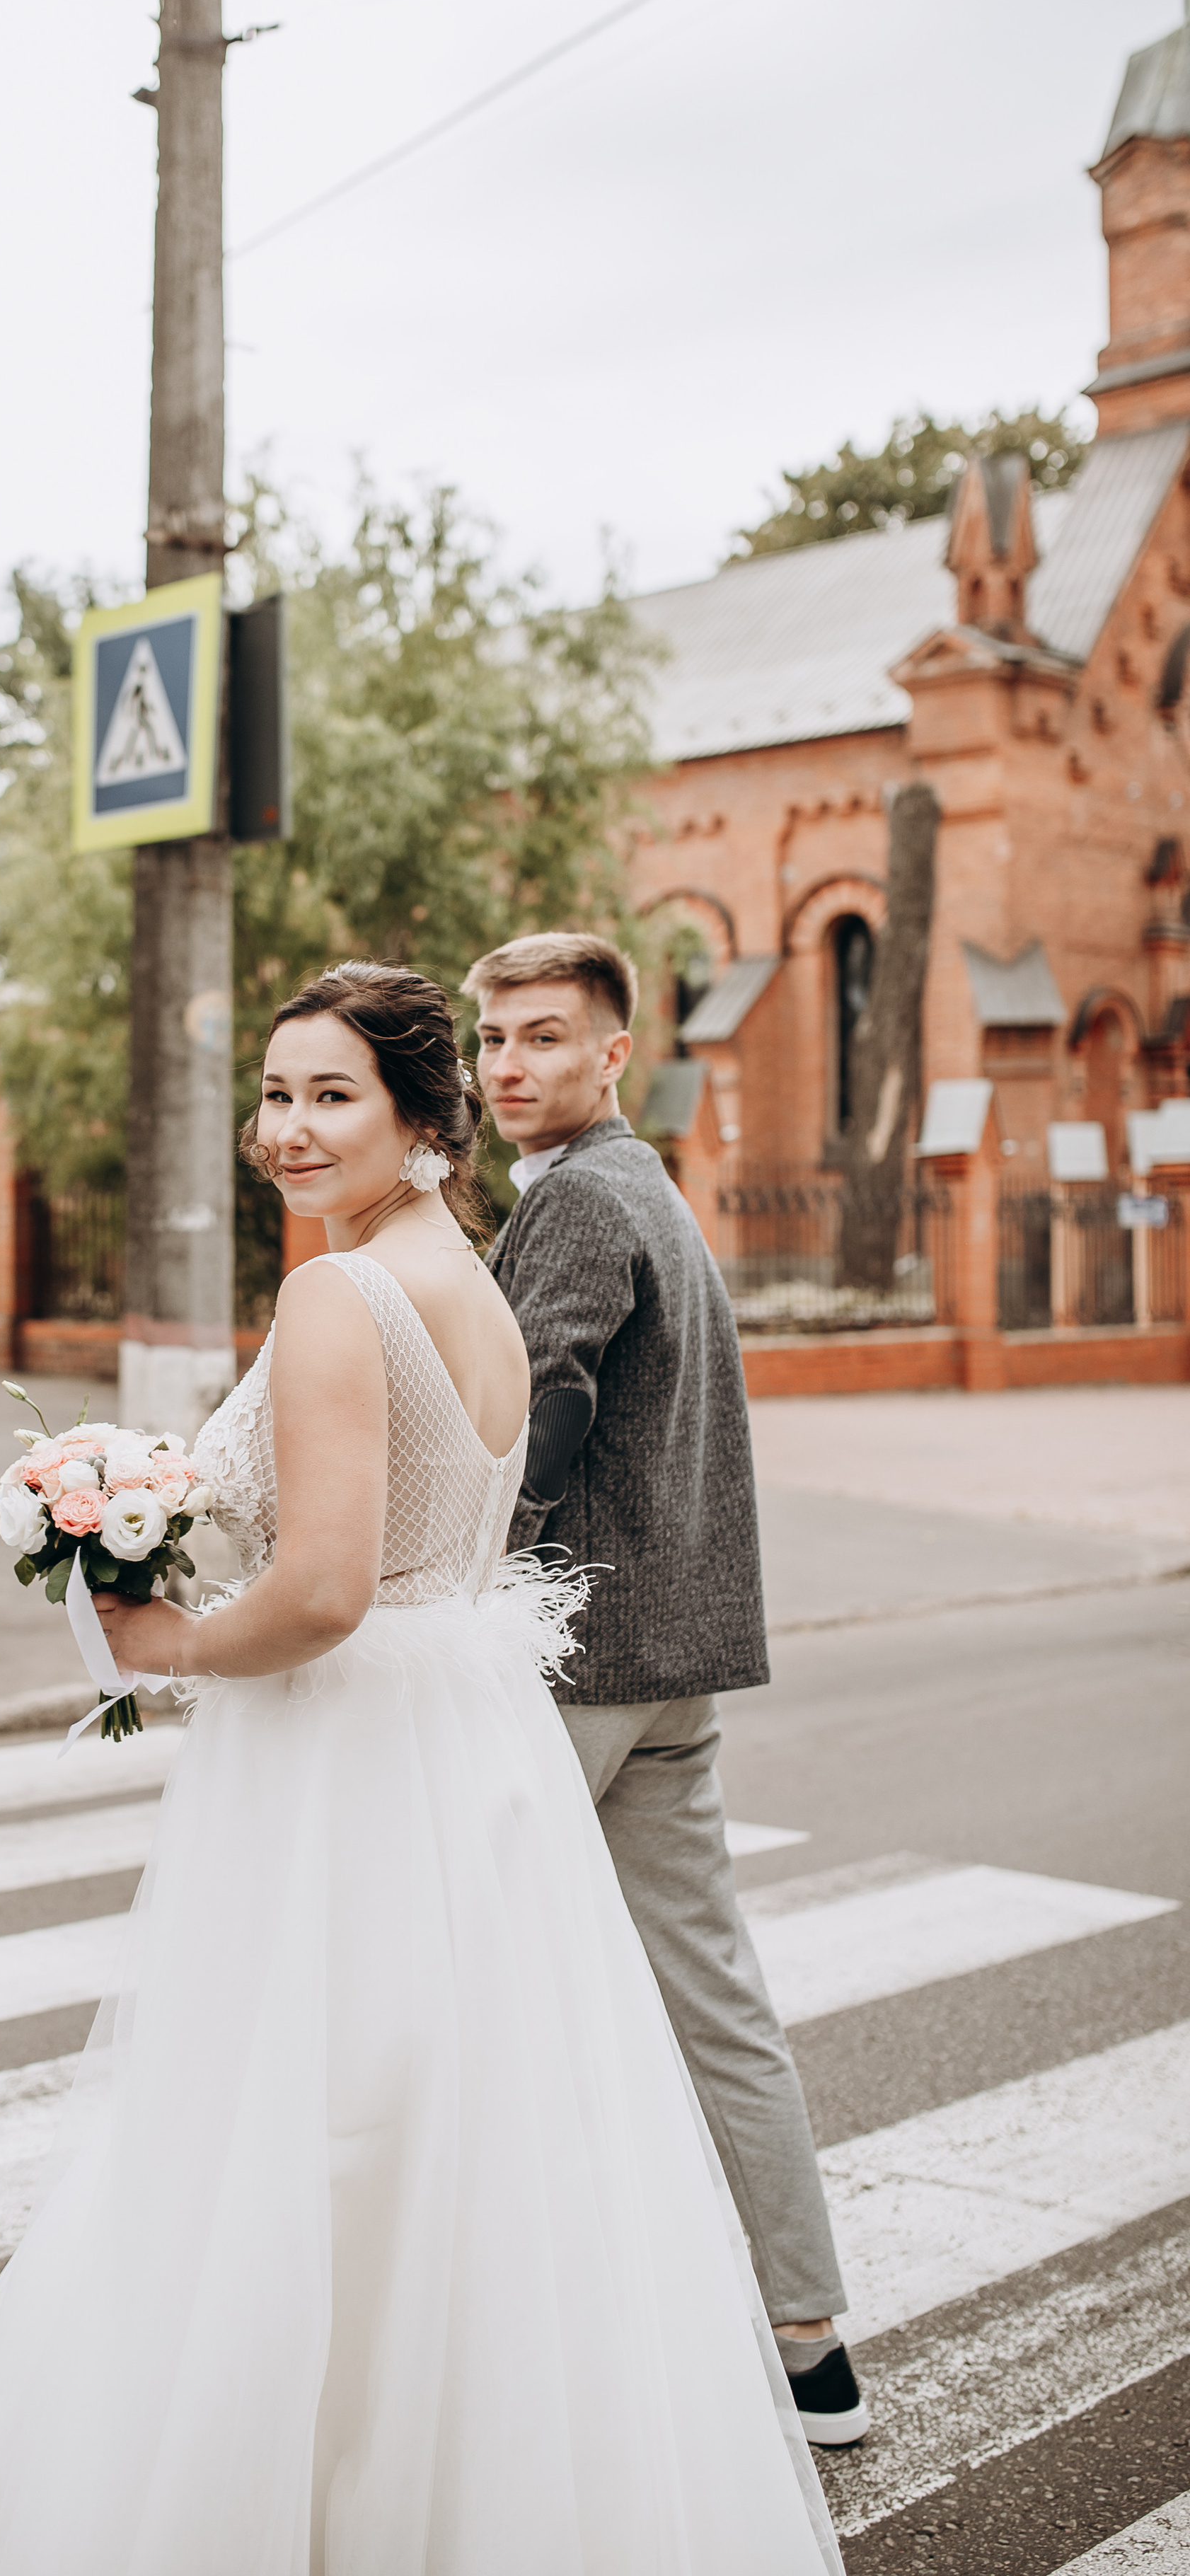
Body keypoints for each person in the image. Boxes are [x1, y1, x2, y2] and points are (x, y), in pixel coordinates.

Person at [0, 962, 844, 2576]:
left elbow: (322, 1594)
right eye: (274, 1093)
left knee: (301, 2138)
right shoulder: (458, 1275)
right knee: (455, 2148)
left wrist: (156, 1641)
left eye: (332, 1097)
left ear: (418, 1119)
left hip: (341, 1765)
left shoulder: (337, 1296)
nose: (289, 1129)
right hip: (463, 1745)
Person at [466, 927, 868, 2450]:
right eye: (493, 1038)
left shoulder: (575, 1201)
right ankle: (808, 2342)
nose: (511, 1066)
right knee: (712, 1999)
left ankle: (496, 2339)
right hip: (676, 1665)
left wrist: (449, 1586)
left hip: (573, 1663)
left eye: (544, 1038)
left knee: (443, 1971)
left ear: (611, 1052)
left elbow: (531, 1417)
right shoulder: (648, 1191)